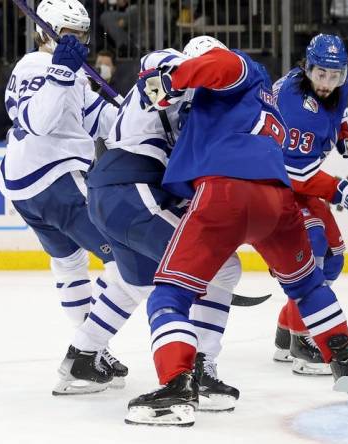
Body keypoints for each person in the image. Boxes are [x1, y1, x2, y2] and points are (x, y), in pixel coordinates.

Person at [125, 42, 348, 427]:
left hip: (225, 194)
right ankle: (346, 367)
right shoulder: (267, 101)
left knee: (169, 295)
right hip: (277, 201)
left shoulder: (245, 71)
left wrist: (165, 83)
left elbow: (222, 64)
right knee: (308, 287)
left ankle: (177, 385)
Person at [61, 37, 241, 410]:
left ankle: (81, 357)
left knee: (132, 283)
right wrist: (175, 83)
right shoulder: (174, 64)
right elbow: (154, 70)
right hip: (130, 188)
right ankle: (199, 370)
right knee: (221, 266)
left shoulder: (199, 106)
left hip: (117, 195)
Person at [0, 0, 128, 393]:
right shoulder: (35, 66)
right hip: (54, 178)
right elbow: (37, 122)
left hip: (26, 185)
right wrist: (60, 73)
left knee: (69, 264)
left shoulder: (69, 75)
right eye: (67, 33)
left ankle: (91, 351)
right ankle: (84, 355)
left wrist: (146, 112)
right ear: (45, 32)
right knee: (124, 259)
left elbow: (101, 121)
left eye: (81, 34)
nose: (76, 41)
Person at [270, 34, 348, 376]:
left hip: (297, 186)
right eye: (321, 74)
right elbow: (299, 174)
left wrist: (347, 127)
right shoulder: (295, 106)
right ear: (307, 68)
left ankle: (286, 325)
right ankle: (302, 339)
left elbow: (340, 110)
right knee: (314, 247)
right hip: (274, 185)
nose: (327, 83)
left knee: (334, 257)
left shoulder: (336, 86)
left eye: (334, 75)